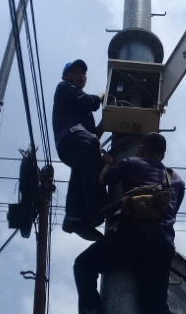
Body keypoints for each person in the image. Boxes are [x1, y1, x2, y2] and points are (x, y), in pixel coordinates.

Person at [73, 132, 186, 314]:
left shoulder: (133, 163)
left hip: (130, 234)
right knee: (156, 309)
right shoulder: (177, 180)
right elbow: (172, 208)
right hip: (161, 244)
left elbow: (104, 180)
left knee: (85, 264)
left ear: (143, 147)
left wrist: (111, 162)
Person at [52, 59, 106, 241]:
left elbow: (94, 135)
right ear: (65, 76)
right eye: (76, 72)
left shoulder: (79, 109)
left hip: (75, 142)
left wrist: (108, 120)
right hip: (72, 138)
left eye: (83, 73)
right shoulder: (64, 88)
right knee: (92, 155)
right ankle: (96, 209)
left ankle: (75, 218)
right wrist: (102, 95)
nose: (81, 75)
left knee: (81, 169)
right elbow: (91, 101)